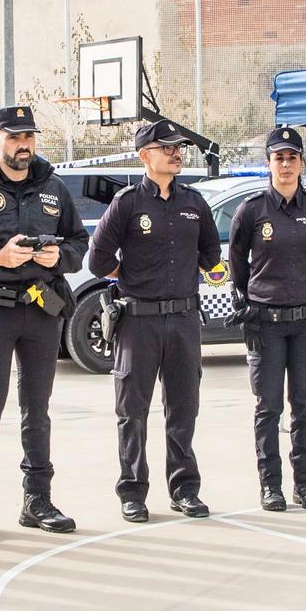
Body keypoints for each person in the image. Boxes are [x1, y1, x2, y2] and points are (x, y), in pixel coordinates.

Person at [0, 104, 89, 540]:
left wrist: (60, 257)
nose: (23, 145)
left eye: (28, 136)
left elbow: (78, 242)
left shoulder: (53, 187)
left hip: (40, 310)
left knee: (37, 409)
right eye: (14, 137)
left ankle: (37, 500)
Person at [85, 118, 220, 522]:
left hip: (182, 319)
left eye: (178, 148)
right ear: (145, 156)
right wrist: (130, 275)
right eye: (167, 148)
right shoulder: (127, 203)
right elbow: (97, 261)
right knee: (133, 411)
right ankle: (133, 492)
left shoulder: (194, 203)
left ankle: (184, 489)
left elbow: (211, 257)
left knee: (183, 408)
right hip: (137, 321)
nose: (176, 154)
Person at [227, 126, 306, 512]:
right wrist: (253, 298)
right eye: (279, 157)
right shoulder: (252, 210)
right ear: (269, 163)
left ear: (302, 162)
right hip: (264, 324)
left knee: (305, 405)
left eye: (292, 157)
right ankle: (270, 485)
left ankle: (304, 485)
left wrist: (303, 290)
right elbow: (237, 262)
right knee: (268, 408)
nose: (285, 164)